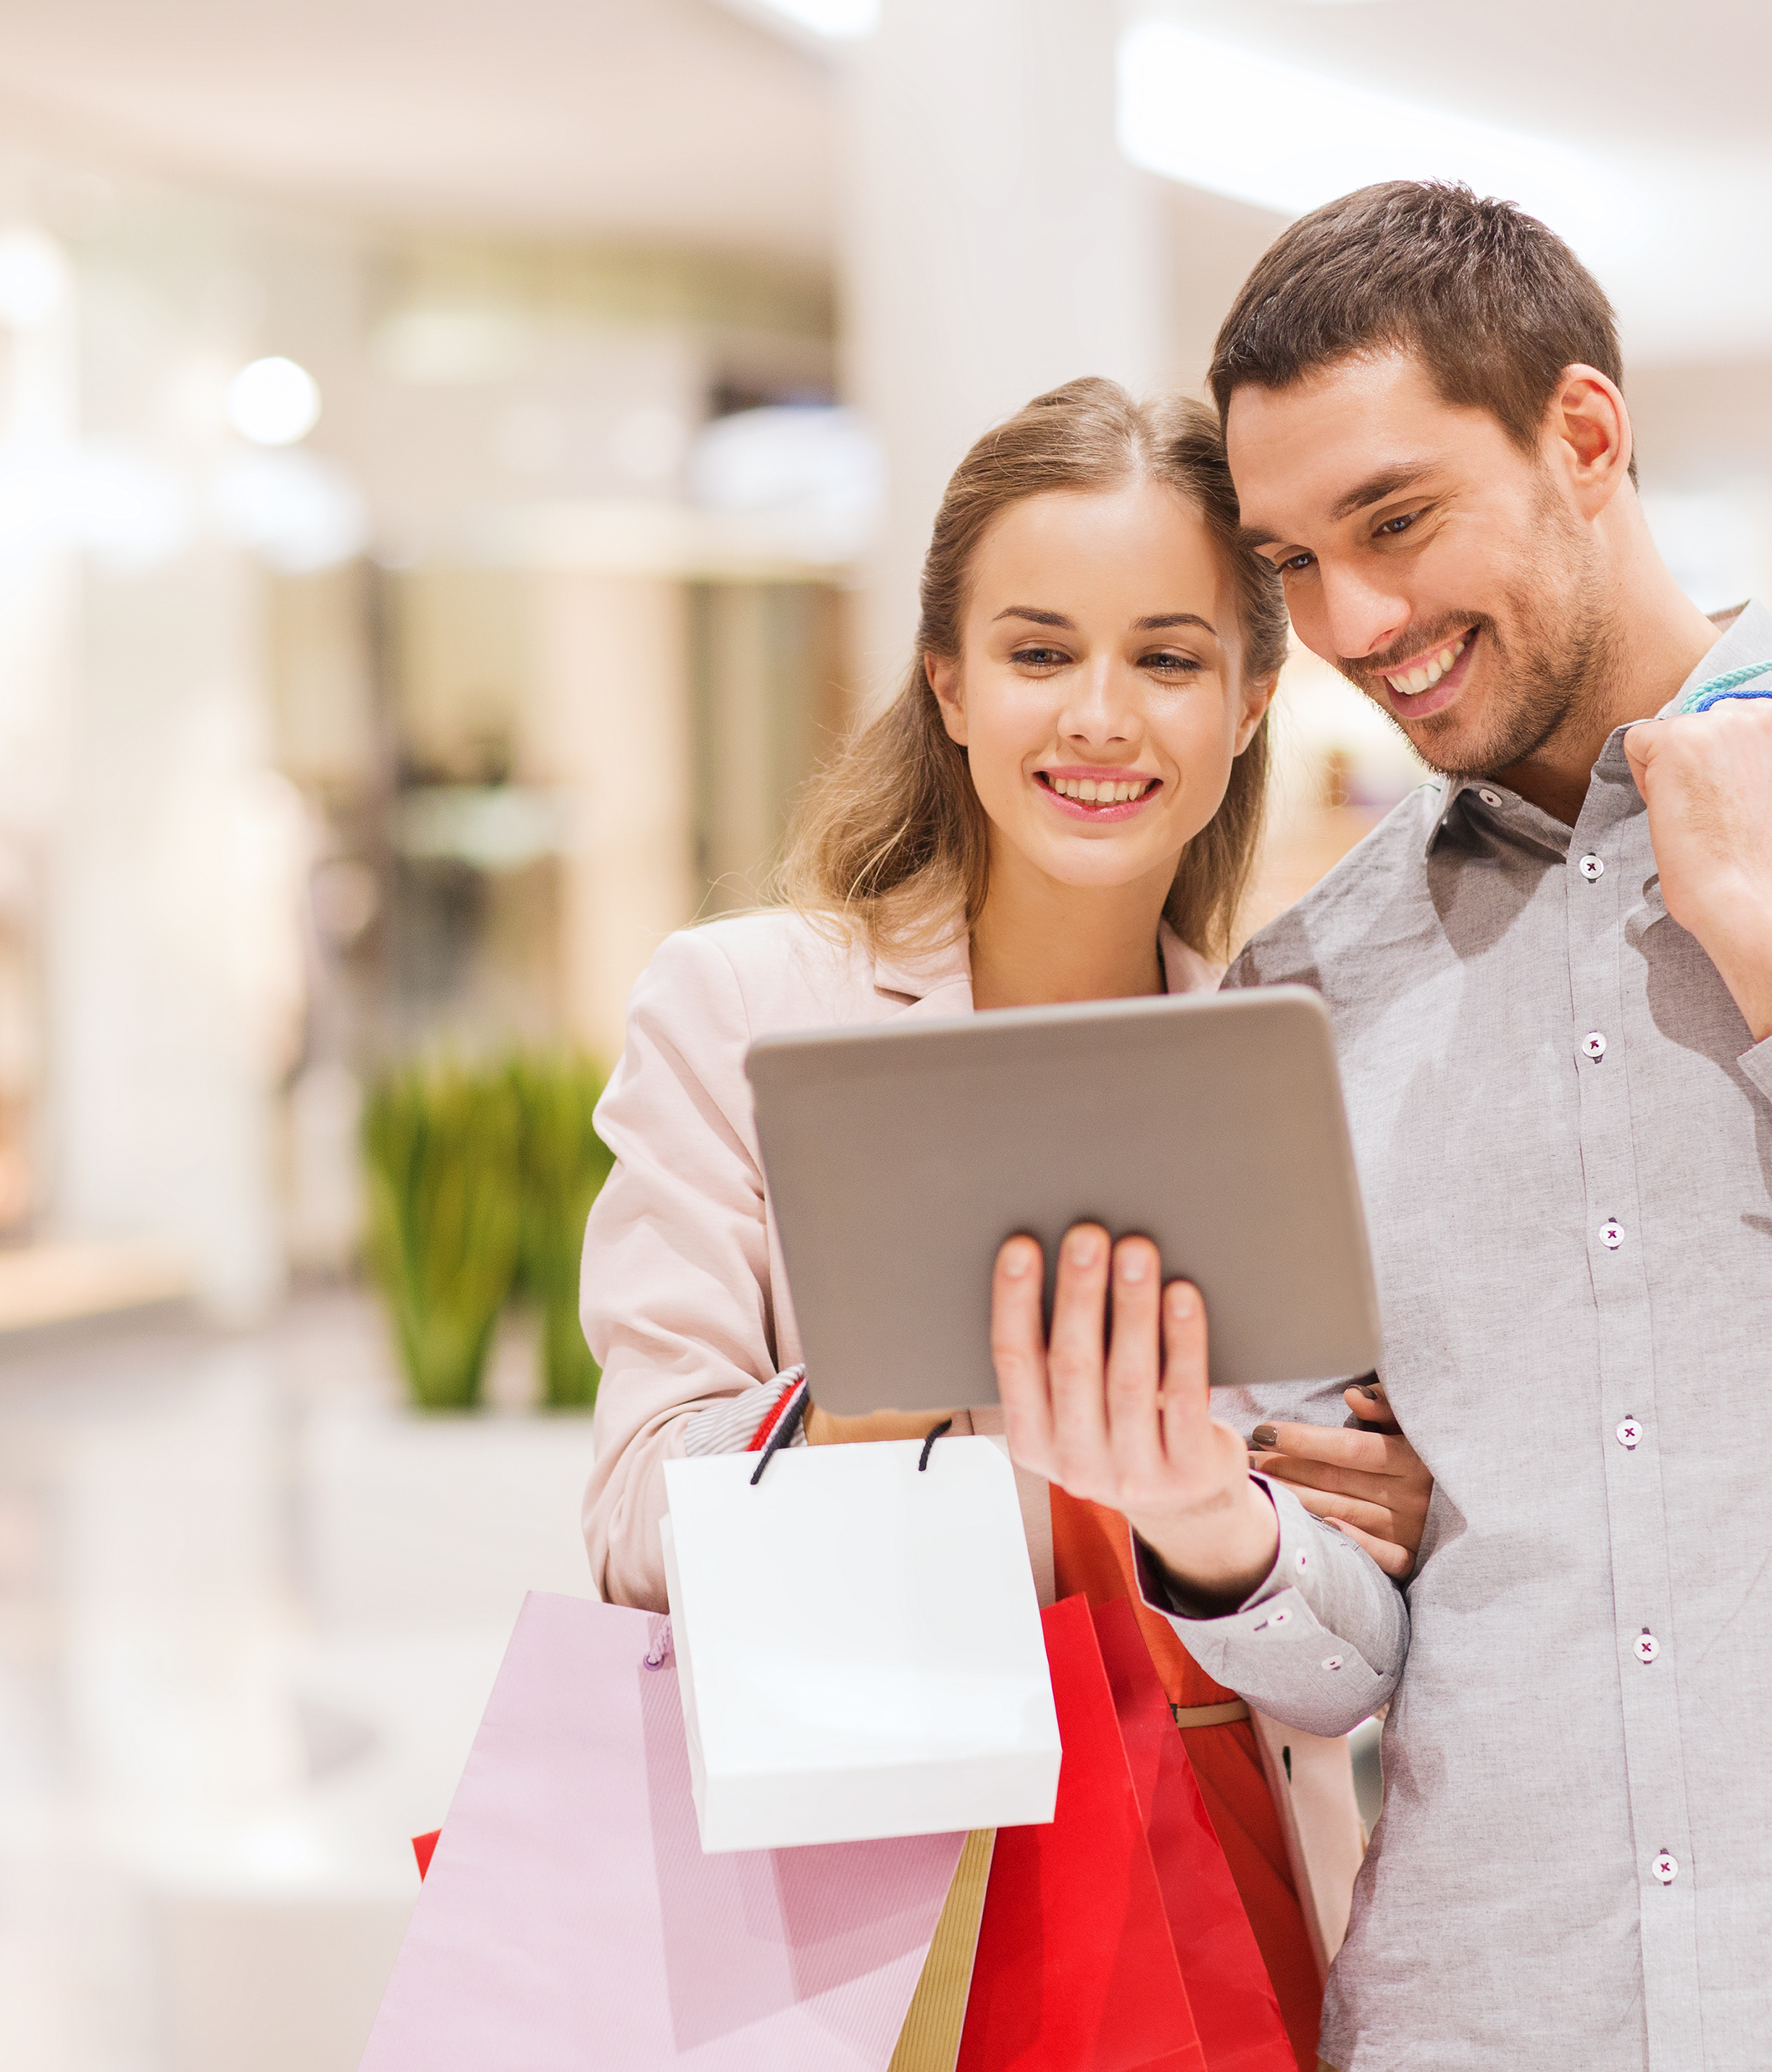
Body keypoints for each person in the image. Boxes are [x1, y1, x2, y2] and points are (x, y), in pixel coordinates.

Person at [986, 185, 1772, 2072]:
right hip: (1482, 2015)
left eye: (1395, 521)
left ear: (1585, 434)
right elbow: (1360, 1649)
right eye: (1293, 562)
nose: (1357, 623)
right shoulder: (1314, 981)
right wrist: (1197, 1515)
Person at [574, 375, 1436, 2069]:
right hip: (848, 1916)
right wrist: (875, 1390)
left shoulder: (1319, 1064)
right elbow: (625, 1527)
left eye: (1170, 658)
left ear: (1256, 696)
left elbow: (1353, 1655)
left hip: (1232, 1915)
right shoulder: (746, 1009)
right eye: (1041, 653)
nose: (1100, 716)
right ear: (949, 681)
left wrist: (1218, 1516)